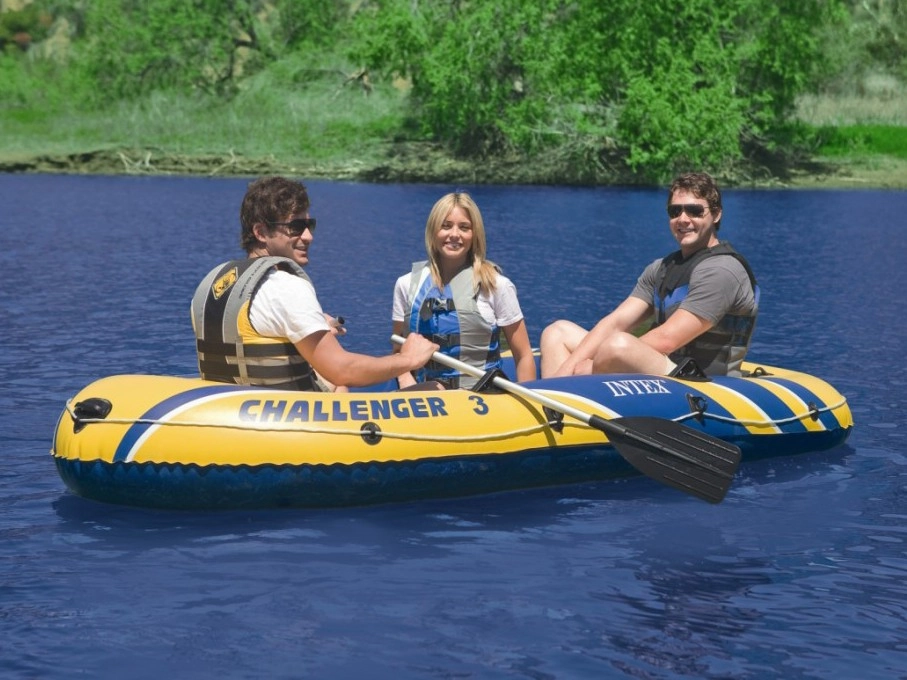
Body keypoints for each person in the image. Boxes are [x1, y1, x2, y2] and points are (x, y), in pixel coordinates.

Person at [191, 176, 438, 391]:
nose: (308, 236)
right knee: (431, 390)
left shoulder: (212, 283)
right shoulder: (286, 287)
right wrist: (408, 359)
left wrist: (316, 328)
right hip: (284, 418)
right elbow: (342, 370)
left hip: (228, 411)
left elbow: (255, 337)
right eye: (296, 227)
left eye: (310, 225)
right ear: (261, 232)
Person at [540, 171, 758, 378]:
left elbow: (667, 339)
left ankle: (575, 387)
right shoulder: (660, 268)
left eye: (694, 211)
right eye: (675, 211)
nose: (683, 219)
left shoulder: (722, 270)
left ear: (716, 214)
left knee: (617, 345)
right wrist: (567, 371)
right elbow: (616, 322)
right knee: (557, 332)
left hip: (702, 380)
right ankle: (553, 396)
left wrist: (593, 365)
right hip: (659, 368)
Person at [391, 191, 536, 389]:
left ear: (474, 235)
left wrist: (526, 398)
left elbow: (523, 355)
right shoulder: (406, 284)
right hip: (425, 395)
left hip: (481, 395)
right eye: (446, 226)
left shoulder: (496, 286)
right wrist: (404, 377)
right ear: (433, 230)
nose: (454, 234)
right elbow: (398, 348)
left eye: (464, 227)